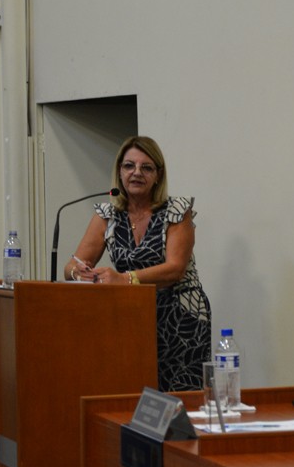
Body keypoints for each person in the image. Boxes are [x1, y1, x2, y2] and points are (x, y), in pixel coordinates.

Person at [65, 135, 211, 391]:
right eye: (129, 166)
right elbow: (71, 267)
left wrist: (124, 278)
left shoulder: (177, 210)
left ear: (158, 175)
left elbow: (175, 268)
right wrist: (82, 274)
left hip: (181, 318)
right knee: (137, 394)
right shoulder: (108, 214)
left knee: (180, 398)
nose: (136, 173)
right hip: (132, 317)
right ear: (119, 172)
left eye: (146, 167)